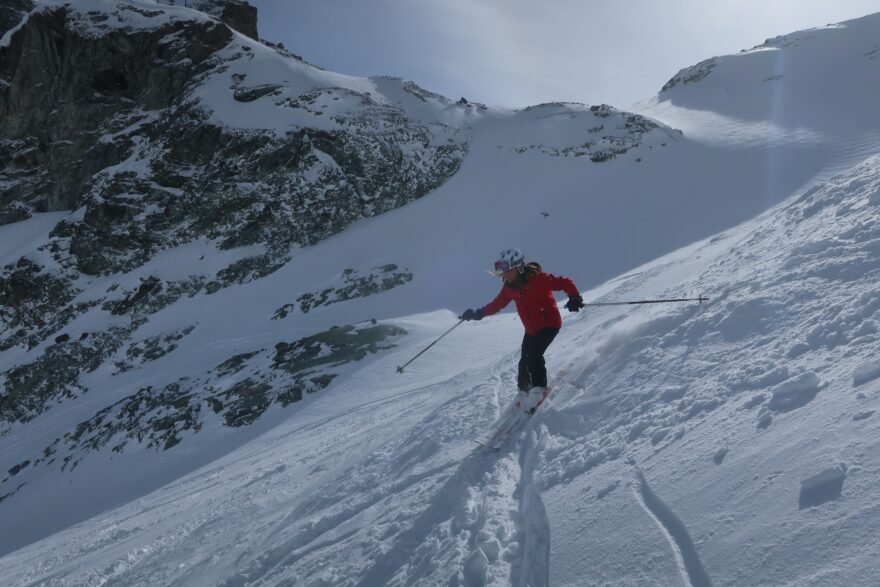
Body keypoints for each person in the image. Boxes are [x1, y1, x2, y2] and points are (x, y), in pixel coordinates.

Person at [460, 248, 584, 402]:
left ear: (518, 266)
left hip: (549, 324)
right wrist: (477, 313)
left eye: (507, 270)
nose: (504, 274)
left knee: (534, 356)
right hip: (531, 330)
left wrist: (574, 297)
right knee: (524, 362)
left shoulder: (538, 279)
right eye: (501, 271)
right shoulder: (509, 289)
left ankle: (539, 389)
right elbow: (496, 305)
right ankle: (523, 392)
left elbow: (565, 282)